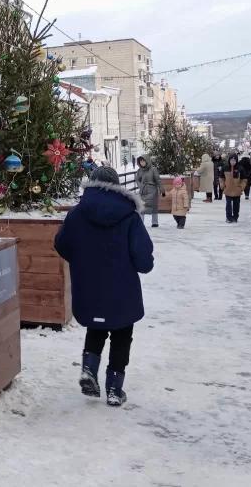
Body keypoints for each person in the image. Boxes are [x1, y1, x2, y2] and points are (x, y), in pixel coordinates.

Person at [54, 166, 154, 408]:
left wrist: (81, 260)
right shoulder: (129, 215)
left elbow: (62, 244)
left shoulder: (77, 213)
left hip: (89, 284)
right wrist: (145, 263)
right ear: (117, 185)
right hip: (122, 288)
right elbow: (142, 258)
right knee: (121, 334)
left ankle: (89, 369)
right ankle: (114, 388)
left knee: (96, 327)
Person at [135, 156, 164, 228]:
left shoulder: (153, 169)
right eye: (140, 161)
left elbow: (158, 180)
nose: (142, 163)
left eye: (143, 161)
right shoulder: (139, 170)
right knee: (141, 206)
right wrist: (140, 186)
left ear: (147, 161)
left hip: (152, 190)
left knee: (154, 206)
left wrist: (162, 190)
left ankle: (155, 222)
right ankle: (141, 222)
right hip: (143, 191)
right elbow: (137, 179)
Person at [221, 154, 247, 223]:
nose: (233, 162)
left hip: (237, 190)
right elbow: (221, 178)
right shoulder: (225, 168)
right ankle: (228, 217)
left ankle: (235, 217)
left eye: (234, 160)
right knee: (228, 205)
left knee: (236, 205)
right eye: (231, 160)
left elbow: (244, 179)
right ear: (229, 160)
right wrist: (222, 185)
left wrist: (241, 187)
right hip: (228, 189)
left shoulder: (240, 168)